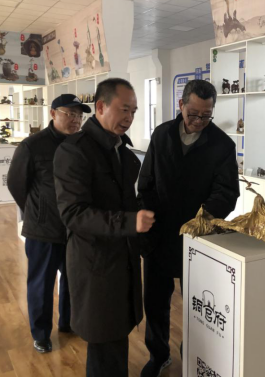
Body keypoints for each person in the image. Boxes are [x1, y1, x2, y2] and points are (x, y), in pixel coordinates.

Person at [53, 79, 156, 377]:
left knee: (115, 337)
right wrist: (130, 222)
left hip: (122, 260)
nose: (130, 117)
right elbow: (73, 214)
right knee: (104, 342)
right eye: (124, 109)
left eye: (134, 111)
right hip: (95, 263)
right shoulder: (75, 151)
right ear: (100, 107)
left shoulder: (121, 149)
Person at [138, 80, 240, 377]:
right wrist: (146, 217)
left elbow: (226, 193)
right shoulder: (162, 134)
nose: (198, 121)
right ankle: (158, 355)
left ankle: (194, 354)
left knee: (199, 303)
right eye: (193, 113)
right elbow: (146, 182)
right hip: (158, 233)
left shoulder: (222, 145)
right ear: (181, 105)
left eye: (206, 115)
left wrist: (201, 219)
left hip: (198, 238)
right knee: (155, 302)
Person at [7, 94, 91, 354]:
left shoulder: (82, 143)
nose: (76, 120)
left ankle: (68, 322)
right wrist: (38, 211)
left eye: (79, 115)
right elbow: (16, 184)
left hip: (74, 228)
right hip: (43, 229)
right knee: (41, 284)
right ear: (53, 113)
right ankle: (41, 334)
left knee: (72, 279)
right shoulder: (33, 145)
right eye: (70, 114)